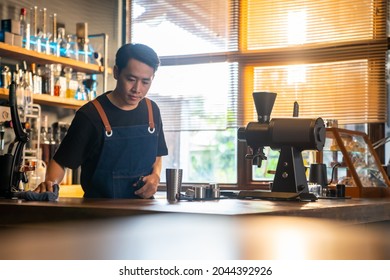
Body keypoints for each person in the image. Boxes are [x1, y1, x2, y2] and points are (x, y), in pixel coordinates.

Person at [35, 43, 168, 198]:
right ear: (116, 72)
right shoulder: (90, 115)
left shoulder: (152, 111)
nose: (137, 89)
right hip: (99, 212)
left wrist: (155, 176)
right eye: (131, 79)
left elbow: (157, 154)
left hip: (143, 212)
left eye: (145, 82)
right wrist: (50, 183)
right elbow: (61, 161)